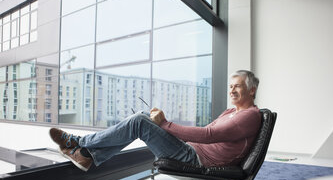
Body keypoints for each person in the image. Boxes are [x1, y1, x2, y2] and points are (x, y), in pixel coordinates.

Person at [49, 70, 262, 172]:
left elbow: (209, 135)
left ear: (251, 90)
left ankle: (78, 143)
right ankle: (85, 155)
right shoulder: (230, 112)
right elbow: (207, 131)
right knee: (142, 116)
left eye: (238, 86)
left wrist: (165, 124)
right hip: (191, 150)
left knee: (139, 122)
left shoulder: (249, 116)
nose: (232, 90)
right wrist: (165, 126)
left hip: (197, 160)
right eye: (231, 86)